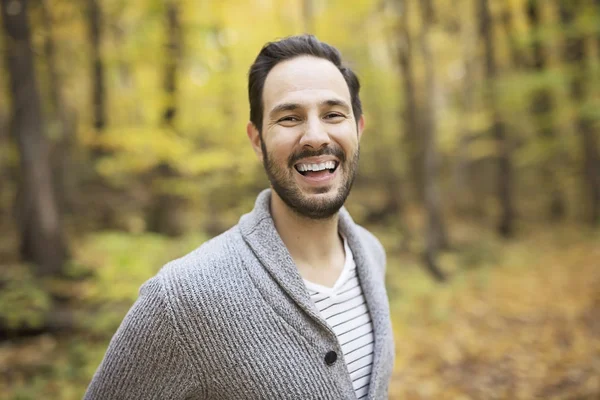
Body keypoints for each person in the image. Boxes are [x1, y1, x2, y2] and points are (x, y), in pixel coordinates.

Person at [85, 34, 394, 400]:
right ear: (256, 139)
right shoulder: (184, 296)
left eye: (333, 114)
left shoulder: (371, 254)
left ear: (357, 129)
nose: (315, 136)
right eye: (290, 117)